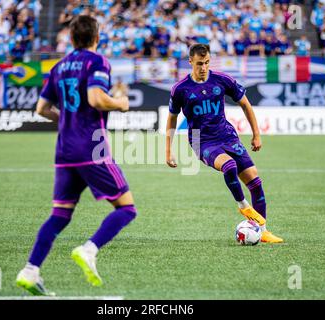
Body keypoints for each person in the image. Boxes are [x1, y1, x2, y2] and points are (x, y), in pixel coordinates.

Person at [16, 15, 136, 296]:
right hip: (91, 147)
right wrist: (120, 103)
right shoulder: (97, 62)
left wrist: (66, 120)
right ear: (97, 37)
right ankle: (89, 249)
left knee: (59, 215)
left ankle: (30, 270)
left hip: (64, 150)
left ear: (71, 39)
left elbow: (42, 108)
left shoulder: (58, 67)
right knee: (127, 208)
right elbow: (96, 99)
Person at [165, 44, 283, 244]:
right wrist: (168, 151)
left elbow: (245, 104)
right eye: (200, 63)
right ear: (190, 62)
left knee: (255, 181)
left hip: (227, 136)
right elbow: (172, 119)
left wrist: (256, 134)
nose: (204, 67)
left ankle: (262, 231)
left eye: (207, 63)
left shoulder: (222, 80)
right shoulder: (180, 89)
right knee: (229, 166)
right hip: (201, 141)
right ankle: (243, 205)